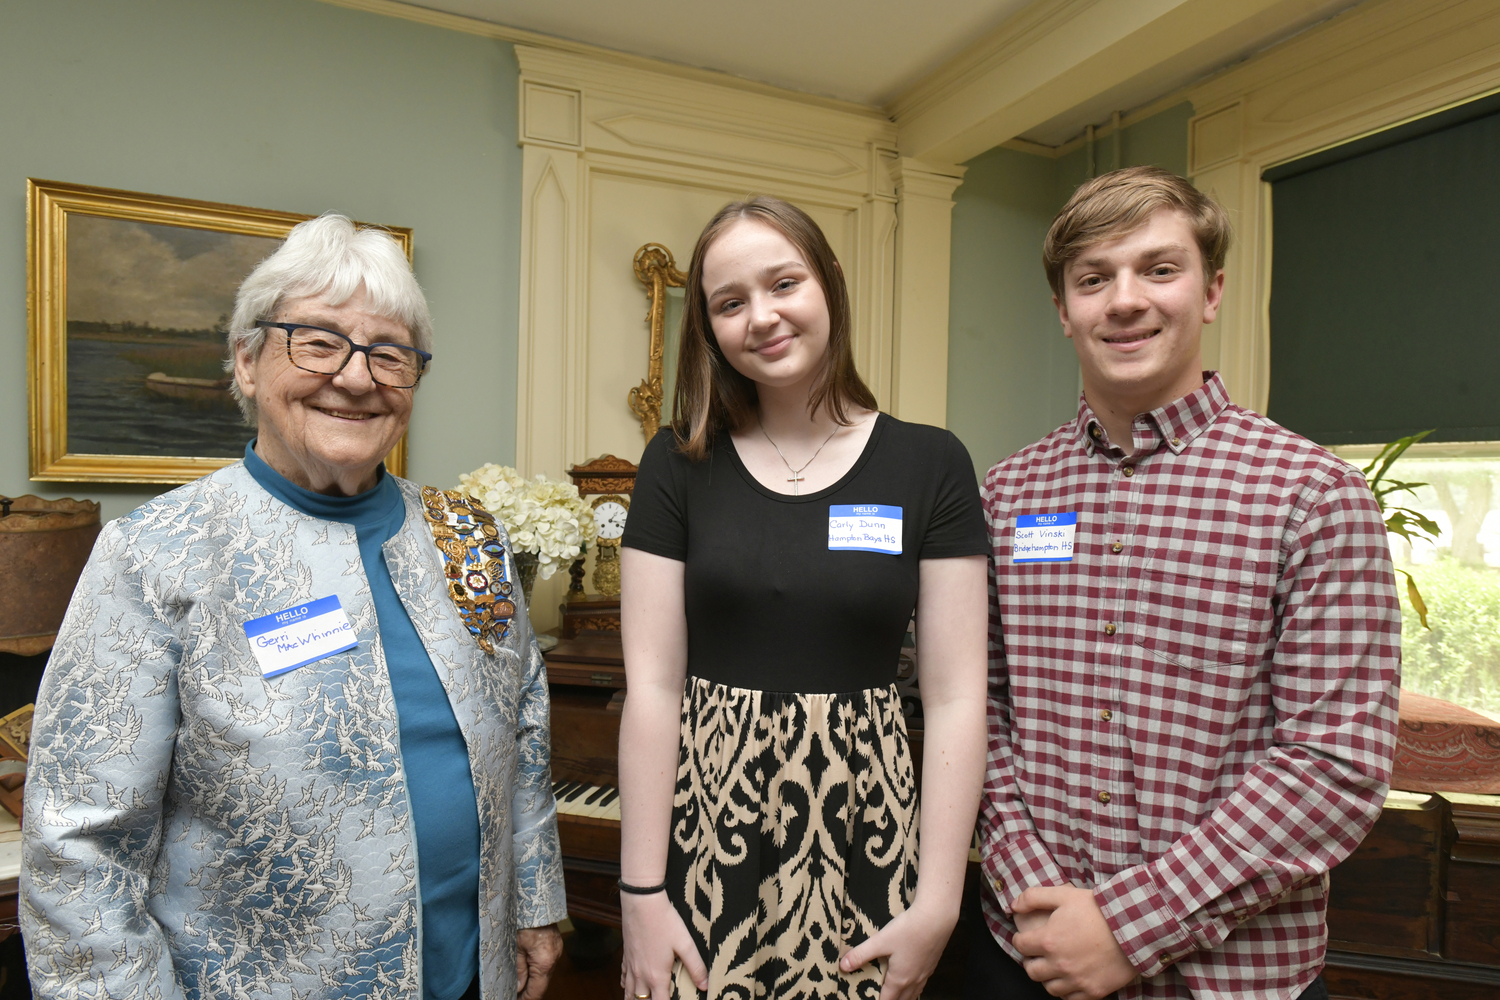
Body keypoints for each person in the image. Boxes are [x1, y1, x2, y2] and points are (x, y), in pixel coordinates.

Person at [21, 214, 566, 1000]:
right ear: (246, 361)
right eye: (317, 342)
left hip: (468, 973)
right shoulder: (156, 554)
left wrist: (536, 906)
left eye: (390, 354)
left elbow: (524, 728)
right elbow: (79, 843)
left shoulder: (467, 537)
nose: (355, 377)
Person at [968, 166, 1401, 1000]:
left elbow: (1333, 763)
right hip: (1025, 955)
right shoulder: (1009, 494)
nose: (1124, 300)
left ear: (1211, 291)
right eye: (1093, 279)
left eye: (1159, 269)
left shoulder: (1311, 495)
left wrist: (1129, 926)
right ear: (1065, 310)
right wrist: (1034, 895)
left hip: (1229, 976)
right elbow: (981, 707)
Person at [616, 196, 989, 1000]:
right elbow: (651, 688)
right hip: (705, 830)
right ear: (708, 326)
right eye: (729, 302)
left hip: (867, 829)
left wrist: (940, 899)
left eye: (784, 283)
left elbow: (957, 696)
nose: (762, 316)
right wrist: (640, 893)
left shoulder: (931, 464)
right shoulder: (676, 463)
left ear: (831, 285)